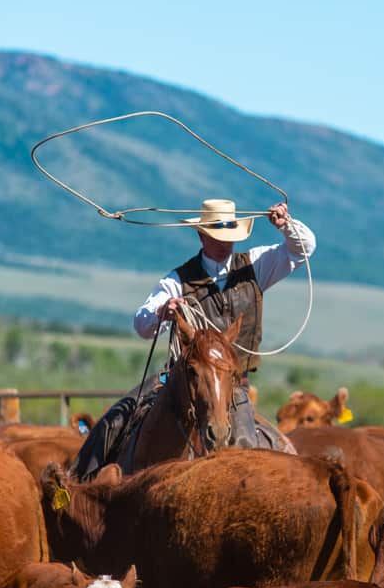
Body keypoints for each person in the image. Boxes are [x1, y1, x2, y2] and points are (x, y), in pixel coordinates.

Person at [71, 198, 316, 479]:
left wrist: (287, 226)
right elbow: (142, 324)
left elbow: (304, 248)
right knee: (115, 421)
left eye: (230, 236)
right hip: (181, 380)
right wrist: (163, 311)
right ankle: (81, 487)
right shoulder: (177, 280)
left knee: (255, 446)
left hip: (232, 385)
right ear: (201, 235)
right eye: (217, 236)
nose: (226, 243)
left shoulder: (256, 265)